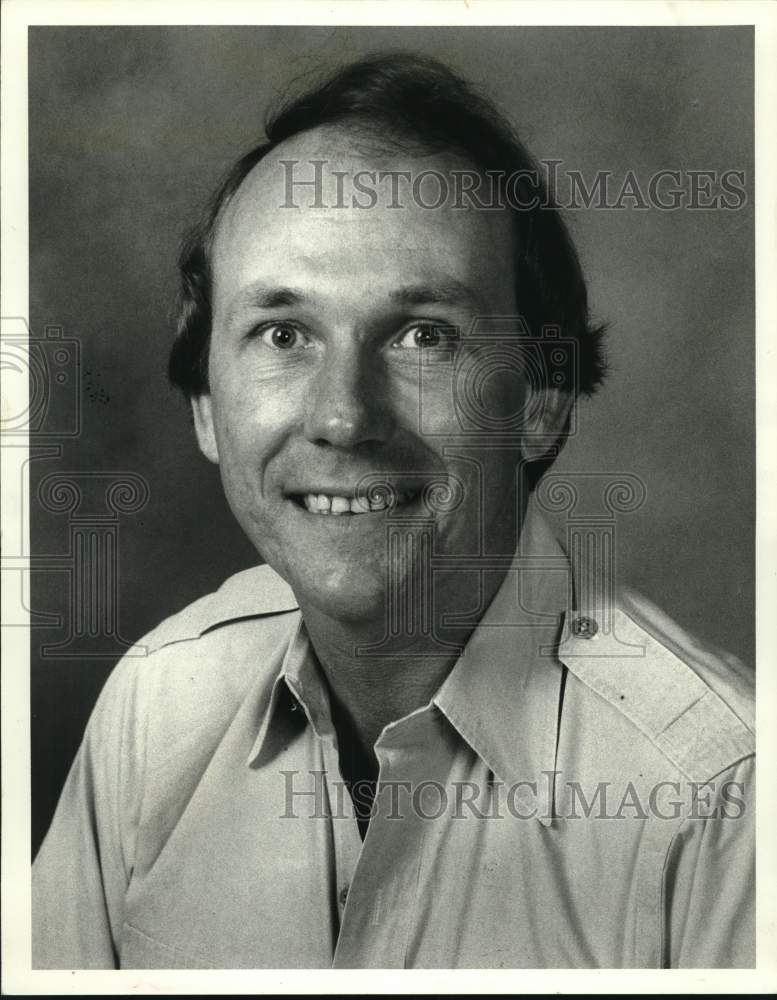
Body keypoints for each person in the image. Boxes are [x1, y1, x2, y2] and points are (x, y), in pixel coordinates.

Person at [32, 53, 754, 969]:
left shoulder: (722, 807)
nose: (343, 416)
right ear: (206, 406)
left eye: (423, 336)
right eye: (282, 334)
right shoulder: (157, 704)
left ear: (540, 398)